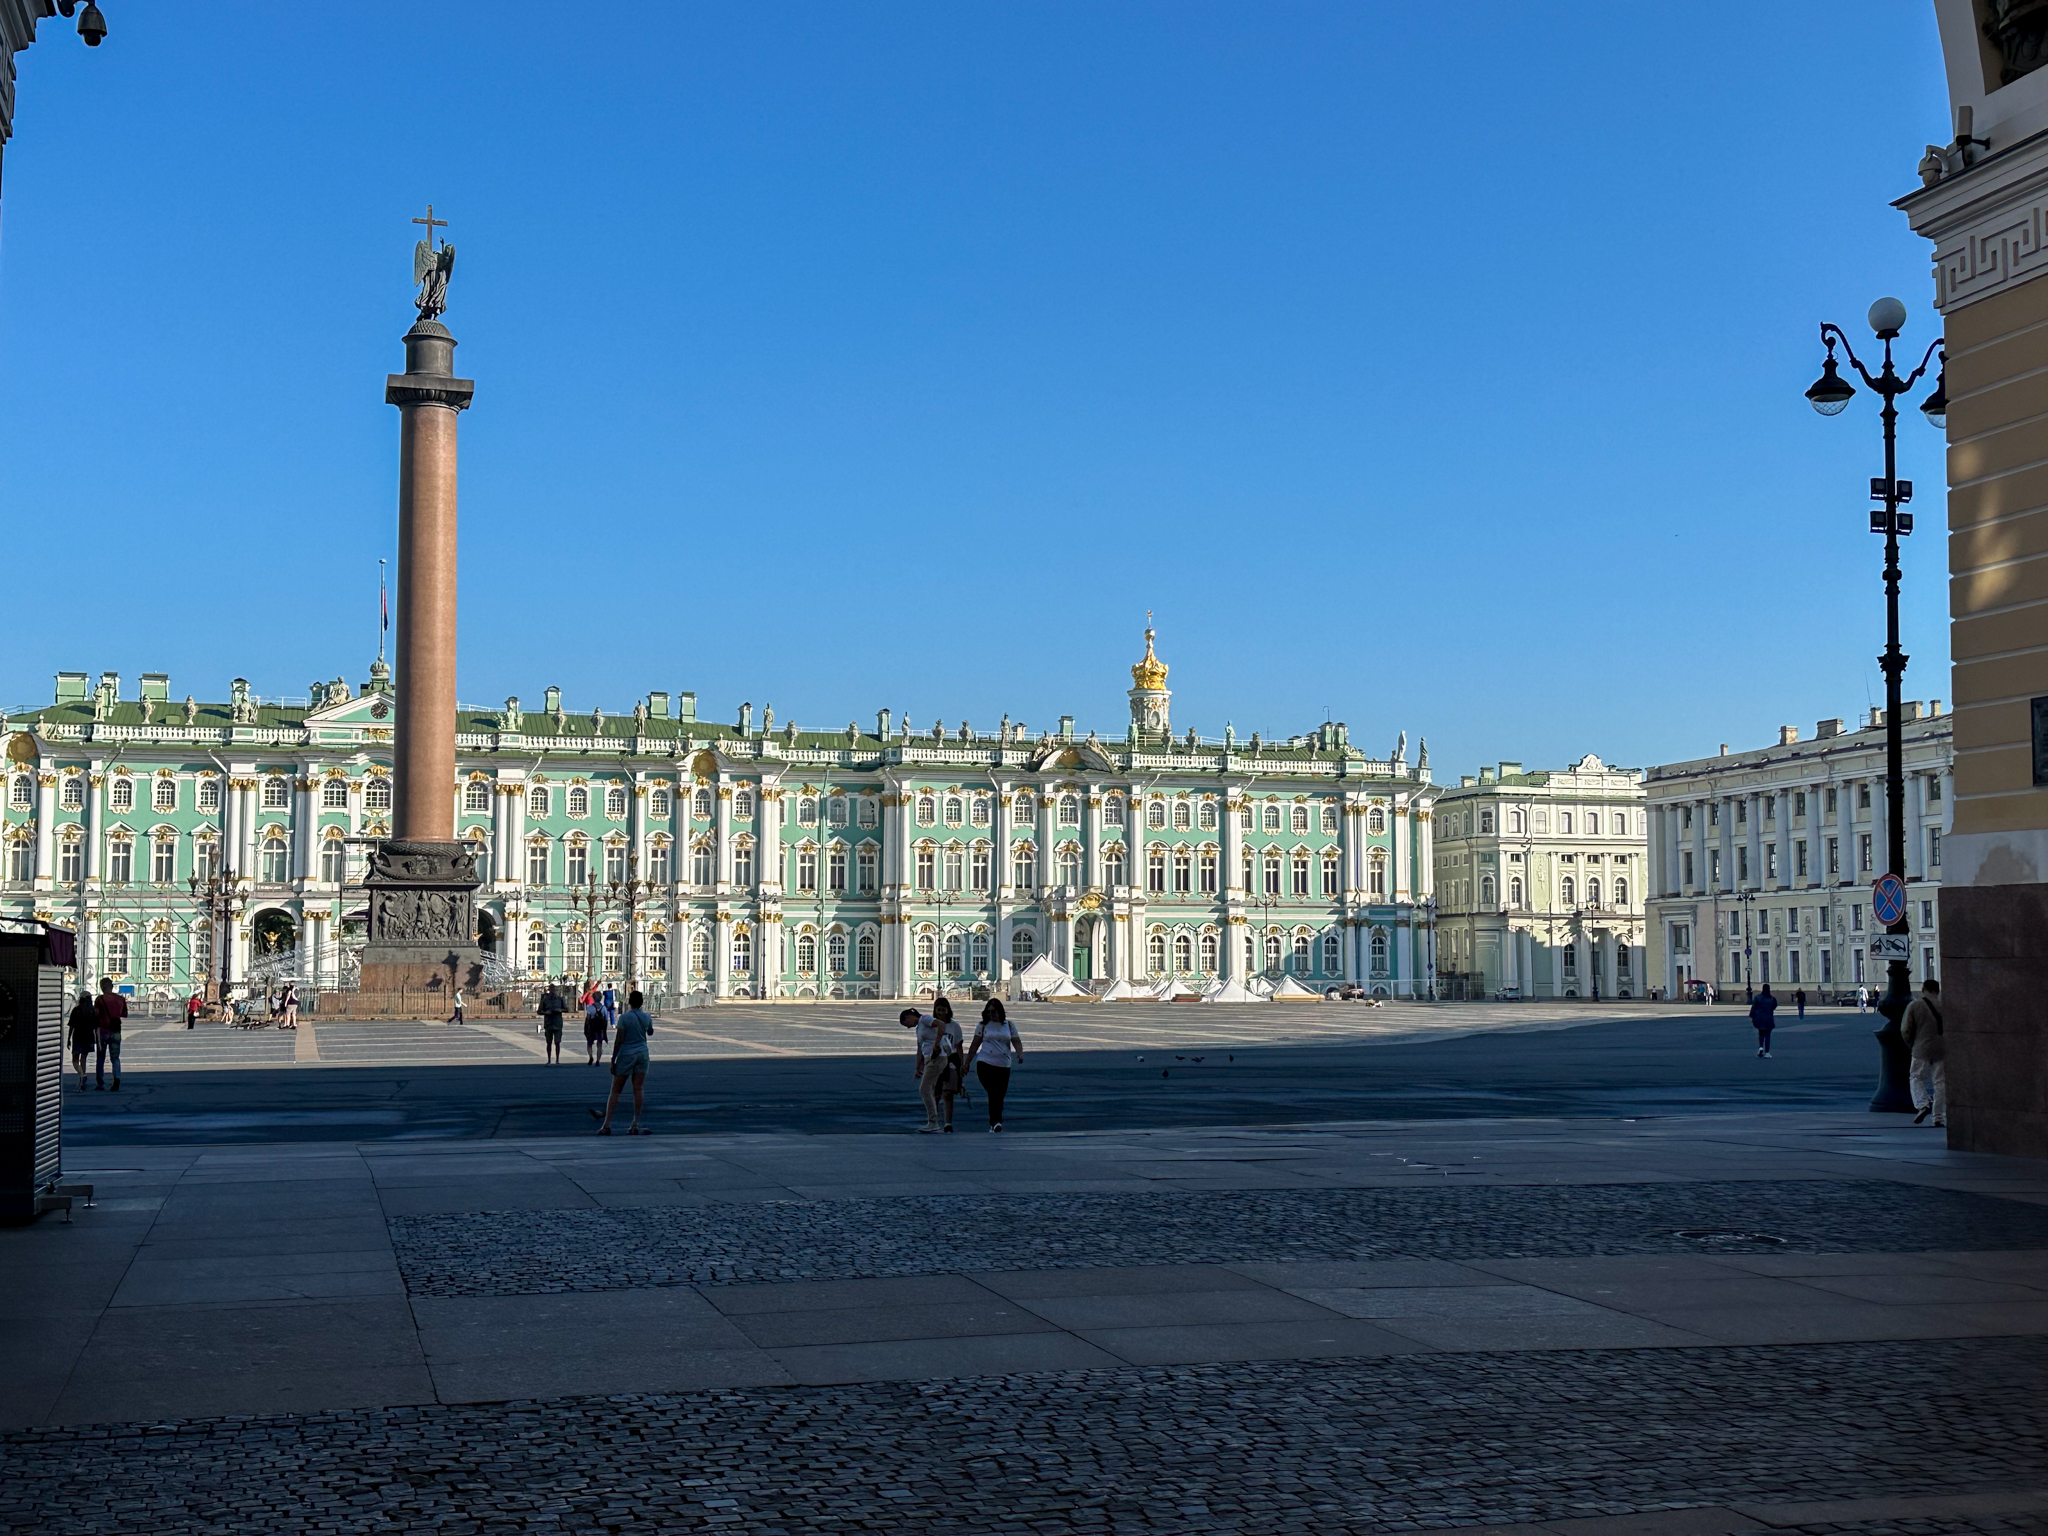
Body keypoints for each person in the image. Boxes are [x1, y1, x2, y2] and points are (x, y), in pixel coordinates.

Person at [596, 988, 654, 1135]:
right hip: (642, 1053)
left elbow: (619, 1039)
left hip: (627, 1054)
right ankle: (635, 1123)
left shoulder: (624, 1018)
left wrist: (613, 1058)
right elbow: (650, 1032)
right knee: (638, 1089)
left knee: (616, 1090)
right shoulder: (646, 1017)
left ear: (629, 1002)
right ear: (641, 1003)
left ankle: (607, 1124)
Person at [966, 998, 1023, 1132]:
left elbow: (1016, 1041)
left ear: (1000, 1012)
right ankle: (996, 1122)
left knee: (1000, 1094)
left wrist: (1020, 1053)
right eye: (989, 1012)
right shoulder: (983, 1026)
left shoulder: (1008, 1025)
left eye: (994, 1012)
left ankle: (996, 1122)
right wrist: (966, 1062)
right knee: (993, 1092)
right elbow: (975, 1045)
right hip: (985, 1063)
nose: (992, 1015)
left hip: (1003, 1065)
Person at [916, 996, 964, 1133]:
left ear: (949, 1010)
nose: (941, 1013)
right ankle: (934, 1120)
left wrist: (962, 1064)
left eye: (943, 1010)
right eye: (938, 1010)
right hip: (935, 1060)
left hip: (950, 1062)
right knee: (934, 1092)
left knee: (948, 1093)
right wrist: (919, 1064)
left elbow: (958, 1046)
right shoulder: (931, 1024)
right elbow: (921, 1046)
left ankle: (948, 1122)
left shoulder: (954, 1026)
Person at [1902, 978, 1946, 1127]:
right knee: (1940, 1082)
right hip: (1942, 1048)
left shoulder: (1915, 1005)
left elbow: (1906, 1030)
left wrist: (1911, 1045)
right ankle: (1938, 1117)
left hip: (1921, 1047)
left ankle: (1922, 1104)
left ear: (1923, 989)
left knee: (1915, 1076)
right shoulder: (1944, 1006)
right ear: (1937, 990)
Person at [93, 976, 127, 1091]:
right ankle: (116, 1078)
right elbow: (124, 1014)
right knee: (115, 1058)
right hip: (116, 1031)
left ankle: (100, 1083)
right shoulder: (120, 999)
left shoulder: (99, 999)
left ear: (102, 987)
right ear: (112, 987)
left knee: (100, 1058)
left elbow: (96, 1015)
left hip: (103, 1031)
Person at [67, 992, 98, 1089]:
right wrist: (97, 1040)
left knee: (75, 1060)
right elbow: (96, 1027)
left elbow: (71, 1026)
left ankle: (82, 1075)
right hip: (89, 1037)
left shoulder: (76, 1010)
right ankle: (82, 1080)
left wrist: (68, 1039)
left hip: (78, 1036)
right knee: (83, 1059)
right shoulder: (92, 1011)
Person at [539, 980, 566, 1064]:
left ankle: (557, 1059)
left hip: (557, 1023)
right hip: (548, 1023)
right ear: (549, 990)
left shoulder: (560, 999)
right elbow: (539, 1011)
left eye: (554, 990)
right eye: (551, 990)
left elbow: (566, 1009)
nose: (553, 991)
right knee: (549, 1042)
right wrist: (545, 1012)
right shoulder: (545, 999)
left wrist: (560, 1010)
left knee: (557, 1042)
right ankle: (549, 1059)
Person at [1749, 983, 1778, 1058]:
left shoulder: (1758, 998)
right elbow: (1774, 1007)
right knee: (1768, 1035)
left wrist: (1752, 1017)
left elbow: (1754, 1008)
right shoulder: (1772, 999)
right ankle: (1767, 1052)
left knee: (1761, 1034)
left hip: (1760, 1018)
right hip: (1769, 1019)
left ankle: (1761, 1047)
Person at [583, 992, 609, 1064]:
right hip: (600, 1028)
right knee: (599, 1044)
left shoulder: (590, 1007)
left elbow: (588, 1018)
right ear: (601, 998)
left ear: (593, 998)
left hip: (592, 1027)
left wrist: (586, 1028)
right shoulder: (604, 1008)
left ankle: (591, 1056)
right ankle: (598, 1060)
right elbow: (606, 1019)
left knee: (589, 1043)